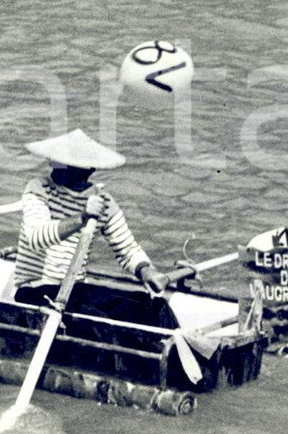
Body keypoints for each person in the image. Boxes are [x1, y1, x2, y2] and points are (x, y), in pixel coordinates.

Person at [14, 129, 172, 321]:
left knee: (149, 306)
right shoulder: (39, 188)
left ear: (86, 170)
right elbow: (36, 238)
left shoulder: (102, 201)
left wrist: (146, 270)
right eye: (55, 161)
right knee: (95, 318)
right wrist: (82, 218)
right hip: (35, 289)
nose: (52, 165)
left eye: (61, 163)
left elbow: (128, 250)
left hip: (74, 290)